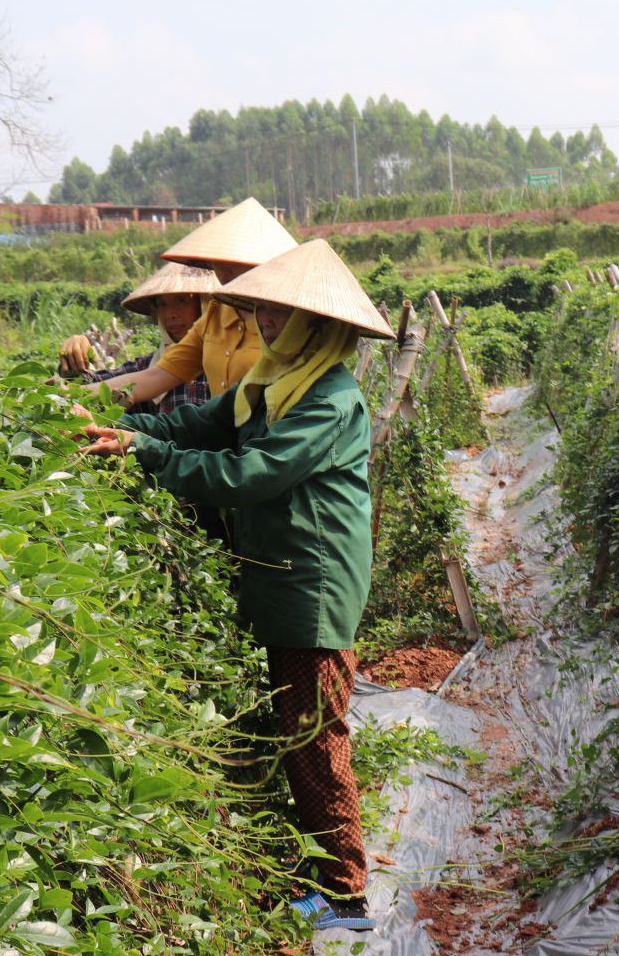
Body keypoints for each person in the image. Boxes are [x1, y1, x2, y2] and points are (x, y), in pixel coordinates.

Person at [77, 239, 395, 933]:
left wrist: (150, 453)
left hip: (313, 579)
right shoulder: (270, 383)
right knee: (298, 728)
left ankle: (346, 892)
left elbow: (248, 477)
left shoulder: (329, 401)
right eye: (264, 309)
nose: (267, 322)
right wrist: (122, 429)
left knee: (315, 736)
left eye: (282, 313)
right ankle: (324, 871)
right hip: (280, 570)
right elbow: (198, 420)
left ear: (321, 324)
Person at [93, 198, 296, 408]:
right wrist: (74, 395)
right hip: (222, 435)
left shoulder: (289, 319)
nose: (223, 271)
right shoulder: (217, 315)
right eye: (217, 261)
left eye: (233, 261)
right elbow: (159, 375)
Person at [57, 262, 214, 415]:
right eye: (162, 304)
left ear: (204, 305)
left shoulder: (224, 361)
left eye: (181, 301)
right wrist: (77, 351)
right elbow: (92, 385)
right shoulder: (150, 367)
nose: (170, 315)